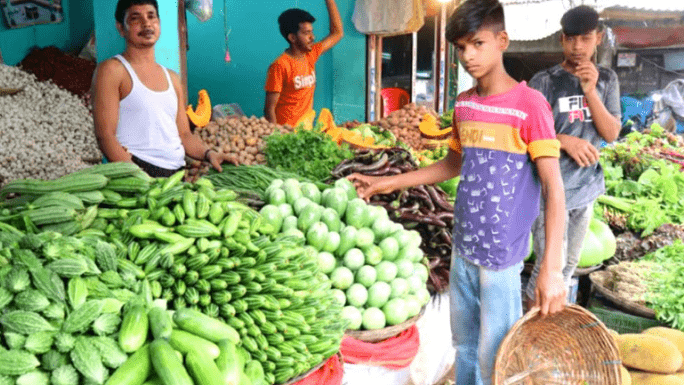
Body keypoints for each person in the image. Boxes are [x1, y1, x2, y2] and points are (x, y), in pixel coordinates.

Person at [347, 0, 566, 383]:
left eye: (477, 44)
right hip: (463, 245)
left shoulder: (529, 105)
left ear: (502, 40)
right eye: (461, 47)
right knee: (463, 345)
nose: (468, 56)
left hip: (501, 256)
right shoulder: (464, 105)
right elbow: (452, 165)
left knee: (495, 353)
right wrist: (384, 182)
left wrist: (551, 268)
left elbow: (554, 189)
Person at [525, 5, 622, 307]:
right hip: (550, 190)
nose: (578, 47)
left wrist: (590, 91)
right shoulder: (545, 81)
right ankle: (529, 330)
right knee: (546, 267)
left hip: (586, 188)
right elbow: (525, 135)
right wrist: (563, 140)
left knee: (569, 264)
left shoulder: (607, 79)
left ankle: (551, 326)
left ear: (599, 38)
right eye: (571, 39)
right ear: (561, 40)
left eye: (585, 38)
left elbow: (611, 133)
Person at [92, 0, 237, 178]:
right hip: (136, 170)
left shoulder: (173, 78)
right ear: (121, 28)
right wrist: (137, 177)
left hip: (176, 175)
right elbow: (105, 136)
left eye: (151, 16)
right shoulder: (113, 71)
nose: (146, 23)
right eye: (135, 18)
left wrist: (209, 154)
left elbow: (184, 134)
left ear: (159, 23)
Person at [263, 1, 343, 126]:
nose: (313, 37)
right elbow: (269, 110)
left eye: (312, 32)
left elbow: (337, 33)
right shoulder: (279, 66)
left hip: (305, 132)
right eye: (306, 33)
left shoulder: (311, 54)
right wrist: (277, 136)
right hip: (286, 134)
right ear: (292, 38)